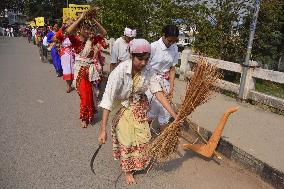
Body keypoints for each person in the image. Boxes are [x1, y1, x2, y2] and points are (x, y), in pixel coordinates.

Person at [98, 39, 177, 185]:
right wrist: (103, 130)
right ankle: (128, 171)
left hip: (139, 106)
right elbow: (107, 100)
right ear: (131, 55)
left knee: (142, 137)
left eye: (146, 59)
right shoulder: (119, 72)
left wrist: (174, 114)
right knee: (127, 139)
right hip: (121, 106)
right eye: (140, 59)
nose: (143, 63)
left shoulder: (148, 70)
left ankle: (136, 162)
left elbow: (158, 92)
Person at [65, 11, 107, 128]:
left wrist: (93, 20)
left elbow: (104, 32)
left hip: (91, 71)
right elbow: (68, 31)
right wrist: (81, 18)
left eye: (89, 29)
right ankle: (84, 117)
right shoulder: (76, 40)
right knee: (84, 95)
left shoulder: (93, 40)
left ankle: (90, 113)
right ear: (80, 29)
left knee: (91, 94)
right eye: (85, 29)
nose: (88, 31)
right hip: (80, 71)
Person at [147, 24, 179, 131]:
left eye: (174, 41)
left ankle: (162, 141)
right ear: (163, 36)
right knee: (151, 109)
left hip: (165, 82)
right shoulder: (153, 47)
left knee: (165, 111)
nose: (171, 43)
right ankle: (143, 136)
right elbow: (145, 66)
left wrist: (171, 87)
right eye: (170, 40)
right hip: (151, 81)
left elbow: (172, 69)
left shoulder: (174, 48)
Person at [55, 20, 75, 93]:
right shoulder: (63, 34)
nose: (69, 25)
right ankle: (68, 85)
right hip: (65, 54)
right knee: (67, 69)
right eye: (68, 24)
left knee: (73, 69)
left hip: (73, 53)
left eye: (71, 24)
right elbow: (57, 36)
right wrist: (62, 28)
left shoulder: (74, 33)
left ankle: (71, 82)